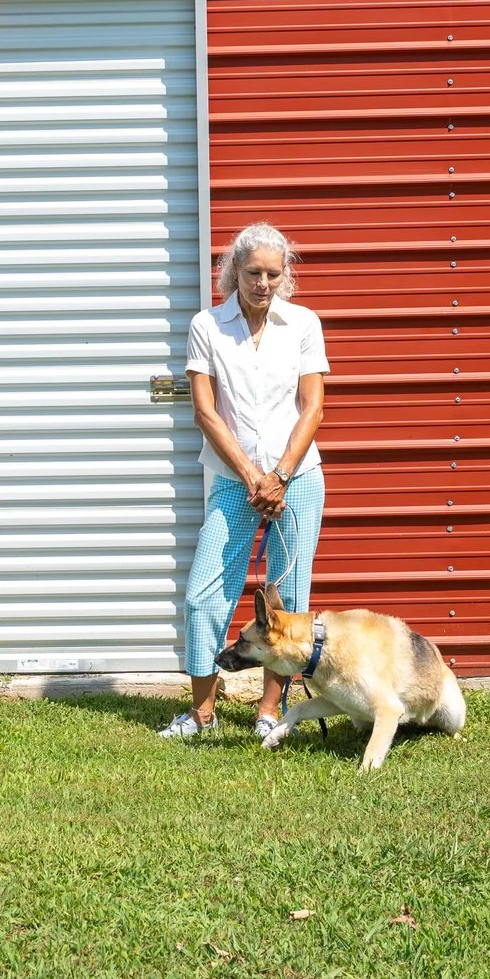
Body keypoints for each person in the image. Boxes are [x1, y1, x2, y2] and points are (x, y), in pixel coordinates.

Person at [161, 222, 329, 740]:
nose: (262, 283)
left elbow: (313, 407)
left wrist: (279, 475)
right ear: (233, 270)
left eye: (273, 274)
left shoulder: (302, 324)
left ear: (285, 276)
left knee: (287, 599)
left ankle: (269, 712)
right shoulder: (207, 326)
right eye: (253, 272)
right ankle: (202, 715)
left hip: (296, 479)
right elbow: (206, 413)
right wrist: (254, 477)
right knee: (203, 594)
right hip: (235, 479)